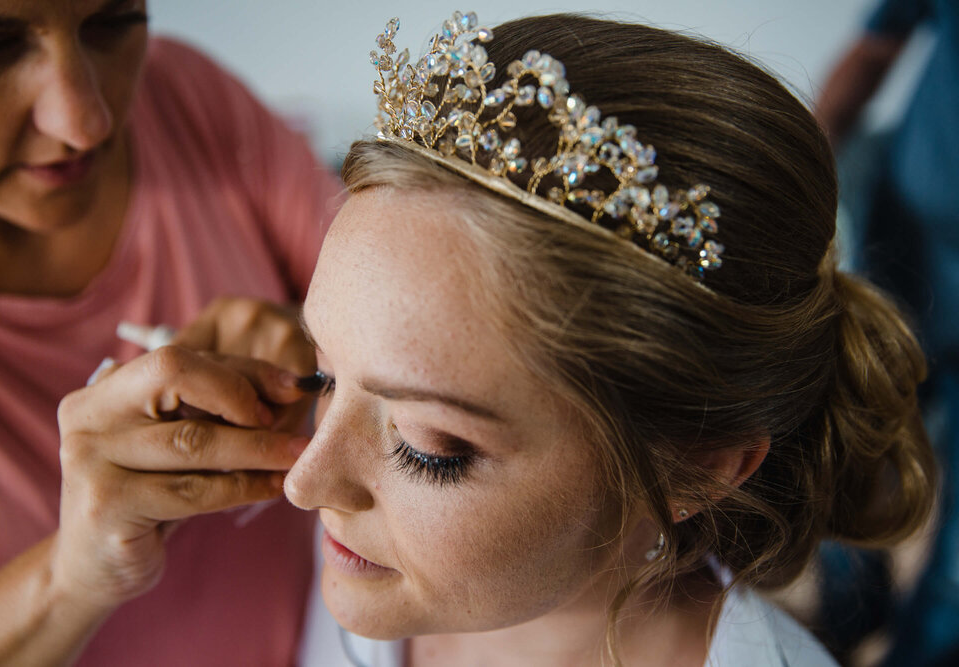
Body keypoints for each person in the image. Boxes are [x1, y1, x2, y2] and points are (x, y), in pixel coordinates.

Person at [283, 11, 938, 667]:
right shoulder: (317, 573)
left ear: (692, 466)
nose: (303, 482)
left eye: (431, 448)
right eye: (323, 376)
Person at [0, 1, 338, 665]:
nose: (85, 122)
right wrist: (72, 577)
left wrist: (318, 341)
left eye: (112, 24)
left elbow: (421, 312)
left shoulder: (186, 98)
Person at [814, 1, 959, 664]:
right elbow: (874, 51)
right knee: (858, 443)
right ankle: (837, 624)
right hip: (910, 244)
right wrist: (805, 168)